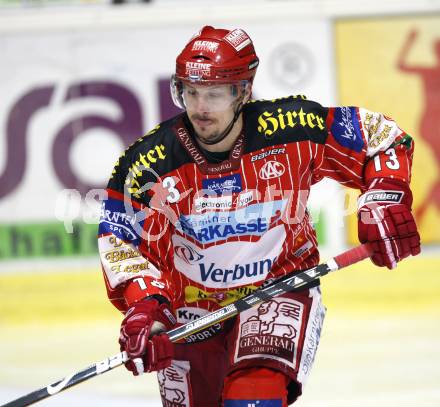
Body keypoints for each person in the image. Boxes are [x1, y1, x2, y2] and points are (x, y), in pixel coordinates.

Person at [98, 26, 421, 406]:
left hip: (278, 289)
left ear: (243, 91)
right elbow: (121, 238)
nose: (200, 108)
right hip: (190, 312)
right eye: (191, 92)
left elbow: (382, 138)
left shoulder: (290, 128)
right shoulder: (149, 161)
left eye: (214, 94)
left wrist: (383, 199)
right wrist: (145, 307)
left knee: (254, 398)